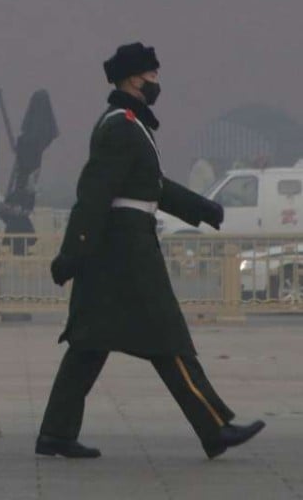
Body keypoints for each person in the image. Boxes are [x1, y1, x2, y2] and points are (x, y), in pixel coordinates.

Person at [37, 42, 265, 459]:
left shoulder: (130, 125)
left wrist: (201, 208)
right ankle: (214, 426)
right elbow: (93, 195)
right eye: (153, 76)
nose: (158, 83)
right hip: (125, 250)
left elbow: (152, 185)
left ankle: (56, 432)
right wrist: (72, 252)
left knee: (89, 342)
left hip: (119, 246)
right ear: (133, 79)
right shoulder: (122, 126)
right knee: (167, 335)